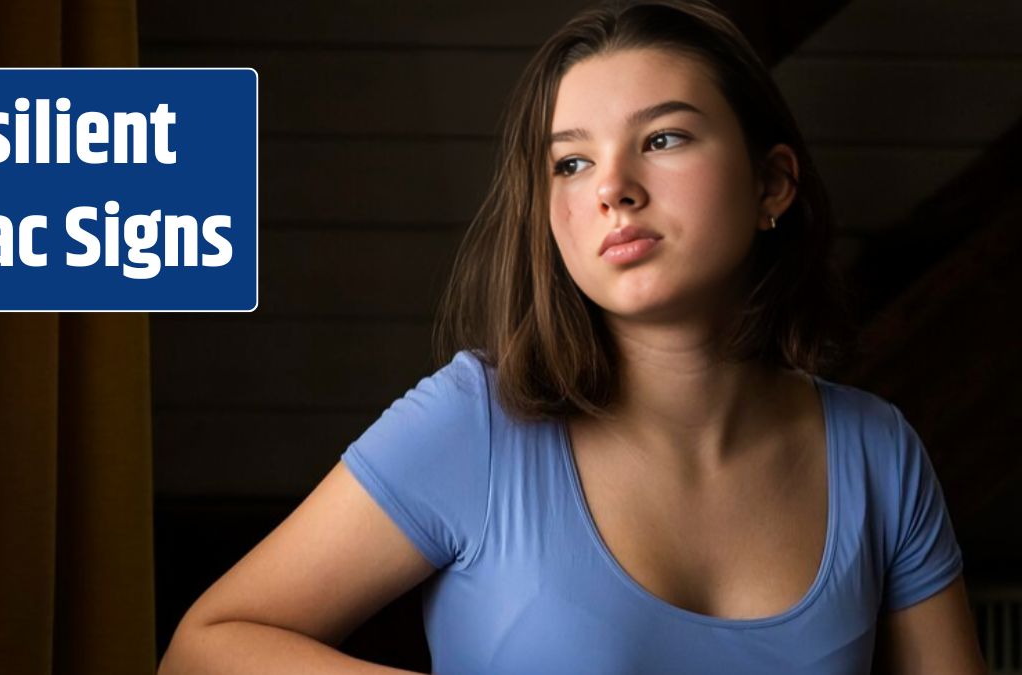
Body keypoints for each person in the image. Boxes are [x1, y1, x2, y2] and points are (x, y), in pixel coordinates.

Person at [158, 1, 987, 672]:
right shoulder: (474, 423)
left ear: (772, 182)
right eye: (571, 163)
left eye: (662, 139)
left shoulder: (879, 452)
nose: (614, 190)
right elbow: (206, 646)